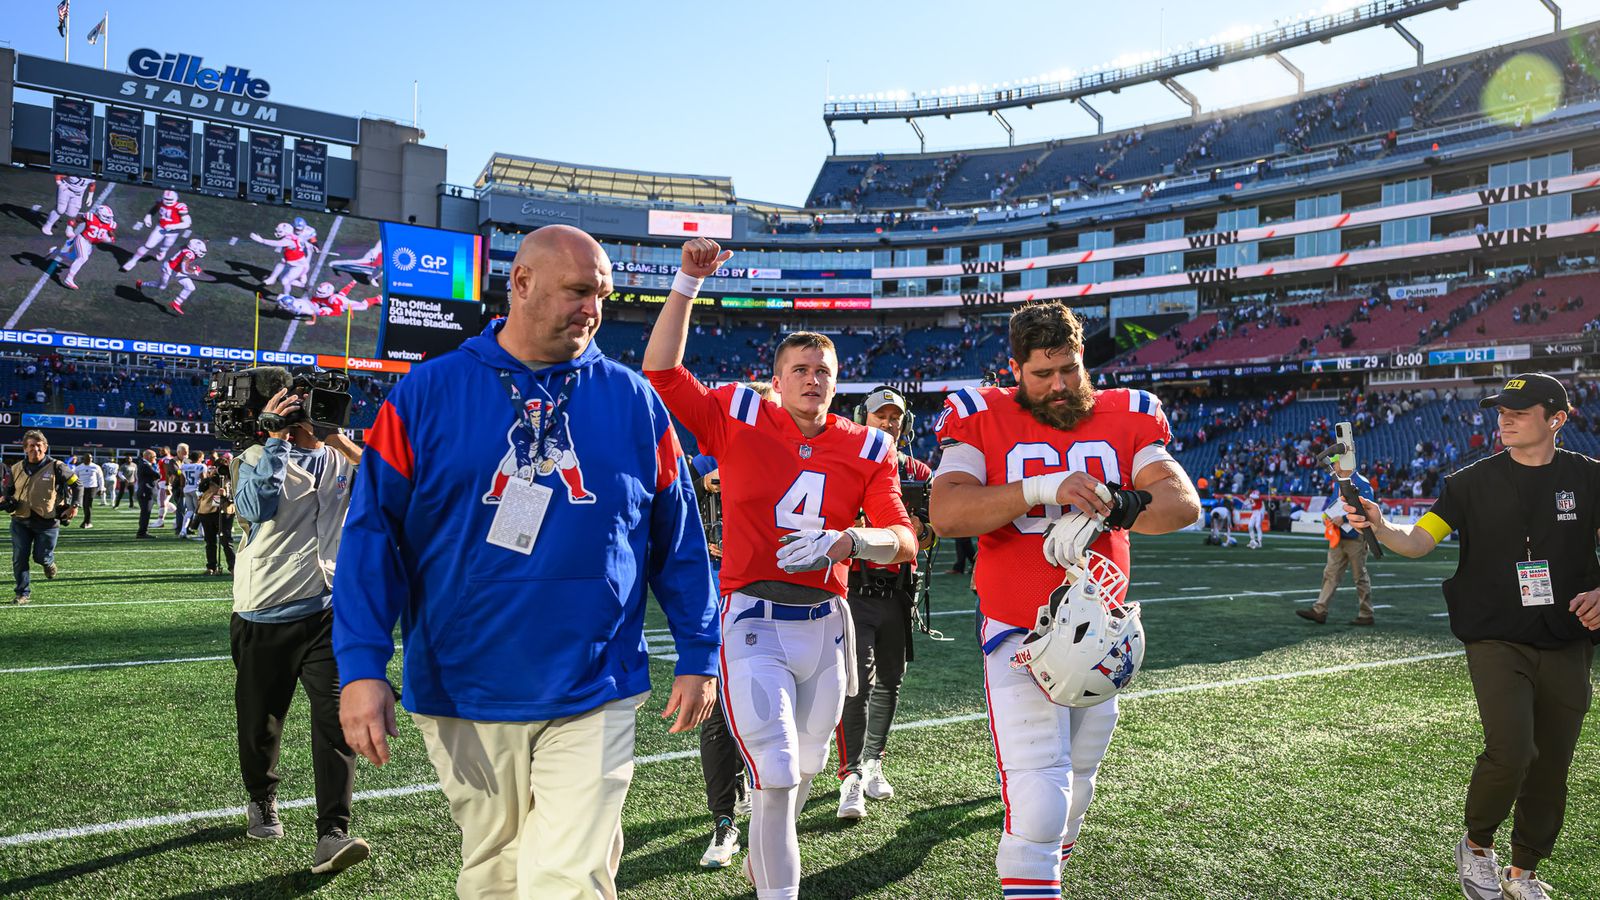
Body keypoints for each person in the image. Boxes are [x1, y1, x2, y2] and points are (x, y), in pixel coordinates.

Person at [335, 224, 720, 900]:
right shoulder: (425, 394)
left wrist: (699, 651)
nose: (592, 308)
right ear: (521, 284)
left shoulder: (635, 402)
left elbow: (679, 540)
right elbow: (372, 539)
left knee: (567, 877)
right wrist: (362, 667)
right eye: (577, 291)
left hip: (594, 684)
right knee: (494, 873)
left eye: (600, 293)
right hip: (464, 684)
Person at [644, 237, 915, 900]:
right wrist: (686, 281)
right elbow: (661, 373)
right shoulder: (740, 415)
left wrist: (850, 539)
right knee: (779, 771)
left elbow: (904, 537)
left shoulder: (869, 446)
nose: (813, 379)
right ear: (777, 376)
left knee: (807, 769)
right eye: (799, 368)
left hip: (827, 625)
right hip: (752, 619)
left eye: (823, 370)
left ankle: (763, 858)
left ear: (836, 379)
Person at [928, 301, 1199, 896]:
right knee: (1038, 785)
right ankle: (1034, 874)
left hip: (1101, 631)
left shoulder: (1128, 414)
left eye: (1069, 370)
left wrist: (1126, 504)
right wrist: (1040, 487)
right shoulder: (981, 415)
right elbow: (946, 513)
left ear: (1084, 360)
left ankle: (1047, 870)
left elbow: (1183, 503)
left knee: (1081, 773)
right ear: (1014, 369)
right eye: (1042, 374)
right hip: (1018, 630)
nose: (1058, 386)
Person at [1344, 373, 1600, 900]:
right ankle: (1477, 846)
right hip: (1495, 634)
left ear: (1557, 419)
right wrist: (1379, 525)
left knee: (1552, 766)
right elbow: (1418, 541)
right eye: (1501, 409)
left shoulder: (1591, 478)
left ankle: (1523, 873)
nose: (1504, 418)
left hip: (1569, 635)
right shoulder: (1467, 483)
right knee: (1512, 750)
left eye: (1520, 410)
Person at [231, 390, 368, 874]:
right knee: (260, 723)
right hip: (263, 611)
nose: (312, 414)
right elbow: (256, 505)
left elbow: (395, 479)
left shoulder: (339, 457)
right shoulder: (251, 455)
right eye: (303, 406)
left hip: (327, 610)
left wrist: (341, 440)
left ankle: (333, 831)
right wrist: (275, 440)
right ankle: (262, 796)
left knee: (336, 719)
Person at [835, 386, 934, 820]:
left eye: (896, 417)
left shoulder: (918, 470)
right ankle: (850, 775)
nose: (889, 423)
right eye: (881, 416)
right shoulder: (844, 460)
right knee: (856, 685)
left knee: (891, 681)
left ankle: (874, 761)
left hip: (896, 594)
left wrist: (918, 531)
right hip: (854, 590)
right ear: (864, 418)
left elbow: (932, 537)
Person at [1297, 453, 1377, 626]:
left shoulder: (1362, 484)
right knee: (1330, 574)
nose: (1334, 466)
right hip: (1339, 535)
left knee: (1359, 576)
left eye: (1337, 462)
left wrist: (1346, 519)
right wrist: (1328, 516)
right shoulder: (1339, 482)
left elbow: (1370, 511)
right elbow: (1335, 505)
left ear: (1346, 462)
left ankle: (1366, 613)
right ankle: (1320, 610)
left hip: (1356, 537)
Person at [8, 431, 81, 604]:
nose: (35, 448)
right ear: (25, 448)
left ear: (45, 447)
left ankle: (48, 563)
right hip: (20, 519)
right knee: (19, 557)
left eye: (39, 445)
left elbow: (77, 484)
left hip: (47, 520)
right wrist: (5, 498)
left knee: (41, 557)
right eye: (31, 445)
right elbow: (8, 490)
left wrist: (74, 506)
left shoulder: (58, 466)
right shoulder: (15, 468)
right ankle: (22, 593)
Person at [197, 456, 236, 577]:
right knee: (210, 541)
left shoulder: (233, 479)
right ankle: (211, 567)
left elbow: (238, 495)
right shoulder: (210, 479)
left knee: (226, 540)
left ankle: (233, 567)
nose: (222, 470)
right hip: (208, 512)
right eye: (219, 468)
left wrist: (226, 495)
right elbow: (200, 489)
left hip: (225, 512)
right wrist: (209, 477)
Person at [178, 449, 206, 538]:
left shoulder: (184, 466)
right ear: (199, 458)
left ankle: (183, 531)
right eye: (202, 457)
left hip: (187, 489)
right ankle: (201, 532)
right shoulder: (201, 466)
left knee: (189, 511)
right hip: (197, 490)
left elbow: (182, 481)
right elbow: (203, 480)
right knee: (200, 511)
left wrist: (182, 490)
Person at [134, 449, 159, 538]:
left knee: (145, 512)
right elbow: (157, 475)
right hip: (145, 491)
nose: (155, 459)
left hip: (145, 491)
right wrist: (155, 466)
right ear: (148, 457)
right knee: (145, 513)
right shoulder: (145, 465)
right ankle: (142, 532)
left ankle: (142, 531)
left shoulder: (144, 464)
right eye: (154, 457)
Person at [74, 453, 102, 529]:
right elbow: (75, 478)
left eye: (91, 458)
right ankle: (86, 521)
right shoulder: (79, 468)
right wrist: (72, 488)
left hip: (92, 487)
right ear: (83, 459)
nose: (89, 459)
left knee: (87, 504)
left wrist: (101, 488)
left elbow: (100, 478)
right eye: (87, 458)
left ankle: (87, 522)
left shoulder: (96, 467)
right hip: (82, 488)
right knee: (84, 505)